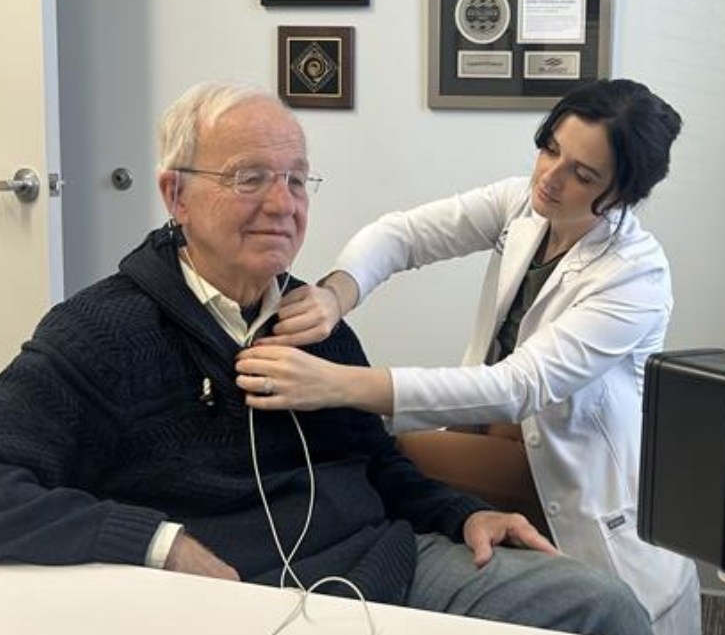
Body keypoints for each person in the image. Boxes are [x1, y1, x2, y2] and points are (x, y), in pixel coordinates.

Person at [0, 82, 654, 635]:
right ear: (177, 196)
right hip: (234, 596)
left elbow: (385, 459)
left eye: (294, 179)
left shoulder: (308, 326)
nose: (282, 204)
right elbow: (403, 236)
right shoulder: (103, 333)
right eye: (249, 178)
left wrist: (460, 512)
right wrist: (156, 542)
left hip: (386, 563)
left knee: (601, 604)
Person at [236, 78, 701, 635]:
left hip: (575, 480)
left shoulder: (634, 275)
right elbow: (402, 235)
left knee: (385, 459)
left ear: (623, 193)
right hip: (500, 438)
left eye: (583, 175)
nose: (550, 177)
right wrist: (337, 294)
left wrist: (338, 384)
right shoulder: (524, 207)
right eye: (550, 148)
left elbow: (519, 385)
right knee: (389, 463)